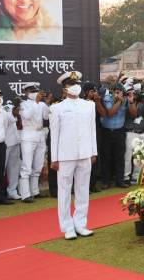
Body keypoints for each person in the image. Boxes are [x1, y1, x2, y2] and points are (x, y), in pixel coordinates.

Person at [50, 71, 97, 240]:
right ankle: (67, 226)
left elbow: (92, 130)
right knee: (64, 192)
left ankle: (81, 223)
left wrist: (93, 151)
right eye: (71, 84)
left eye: (77, 83)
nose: (75, 86)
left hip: (84, 152)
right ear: (64, 88)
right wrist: (54, 158)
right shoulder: (56, 108)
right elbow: (54, 134)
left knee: (83, 190)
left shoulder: (89, 105)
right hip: (65, 155)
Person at [100, 82, 137, 189]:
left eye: (119, 92)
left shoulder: (126, 100)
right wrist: (119, 101)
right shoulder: (108, 98)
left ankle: (119, 181)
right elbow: (110, 113)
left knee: (119, 157)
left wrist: (131, 102)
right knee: (106, 157)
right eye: (115, 92)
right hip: (106, 131)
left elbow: (134, 115)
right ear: (111, 92)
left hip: (120, 132)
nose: (117, 94)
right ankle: (105, 182)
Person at [18, 82, 47, 202]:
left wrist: (45, 104)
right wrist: (36, 103)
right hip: (28, 135)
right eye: (32, 91)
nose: (35, 94)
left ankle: (35, 191)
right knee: (27, 166)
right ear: (26, 93)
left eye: (36, 91)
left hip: (40, 135)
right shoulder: (23, 104)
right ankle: (25, 194)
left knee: (38, 166)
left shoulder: (41, 104)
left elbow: (46, 117)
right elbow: (27, 116)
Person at [123, 83, 144, 185]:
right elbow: (134, 115)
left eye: (135, 92)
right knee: (128, 156)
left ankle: (136, 177)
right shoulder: (126, 103)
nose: (134, 94)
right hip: (131, 132)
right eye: (131, 92)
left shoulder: (143, 105)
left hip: (141, 133)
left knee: (139, 157)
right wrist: (131, 101)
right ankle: (126, 177)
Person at [83, 82, 106, 192]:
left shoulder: (97, 101)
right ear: (86, 92)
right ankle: (85, 186)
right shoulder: (81, 102)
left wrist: (97, 101)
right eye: (92, 91)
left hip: (96, 132)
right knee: (86, 159)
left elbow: (103, 114)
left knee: (96, 159)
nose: (93, 93)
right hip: (84, 133)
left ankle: (92, 184)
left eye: (94, 91)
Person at [2, 101, 22, 200]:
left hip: (15, 143)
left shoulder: (15, 115)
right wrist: (12, 114)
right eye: (17, 109)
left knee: (14, 169)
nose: (18, 111)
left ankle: (12, 191)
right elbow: (8, 119)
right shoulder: (6, 108)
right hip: (5, 144)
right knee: (1, 170)